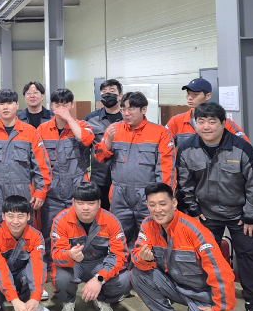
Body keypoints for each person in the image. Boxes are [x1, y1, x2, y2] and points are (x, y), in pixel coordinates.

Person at [176, 102, 253, 311]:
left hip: (239, 214)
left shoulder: (241, 148)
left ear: (223, 123)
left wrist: (250, 216)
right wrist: (193, 211)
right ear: (195, 124)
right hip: (205, 215)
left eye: (212, 122)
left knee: (248, 253)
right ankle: (203, 297)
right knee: (202, 256)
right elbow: (184, 184)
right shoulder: (187, 149)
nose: (206, 127)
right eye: (201, 121)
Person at [131, 183, 236, 311]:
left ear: (174, 203)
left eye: (162, 204)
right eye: (152, 204)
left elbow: (221, 273)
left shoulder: (194, 230)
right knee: (137, 274)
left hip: (202, 295)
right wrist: (143, 259)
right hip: (175, 286)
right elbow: (136, 254)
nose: (157, 210)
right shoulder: (148, 225)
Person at [94, 91, 175, 246]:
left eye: (131, 109)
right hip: (119, 195)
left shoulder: (160, 132)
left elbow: (166, 169)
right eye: (123, 109)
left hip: (148, 195)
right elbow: (99, 158)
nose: (126, 113)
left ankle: (151, 262)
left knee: (151, 237)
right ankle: (121, 262)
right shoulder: (114, 129)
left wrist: (162, 198)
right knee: (119, 237)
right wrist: (108, 140)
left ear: (144, 109)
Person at [51, 182, 130, 311]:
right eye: (80, 203)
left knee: (124, 281)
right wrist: (69, 256)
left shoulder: (111, 221)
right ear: (73, 202)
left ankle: (103, 299)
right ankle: (68, 301)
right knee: (60, 277)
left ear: (99, 203)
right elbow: (56, 254)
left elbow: (119, 255)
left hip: (99, 264)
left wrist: (100, 278)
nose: (85, 208)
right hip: (74, 264)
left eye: (91, 203)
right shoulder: (61, 220)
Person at [0, 89, 52, 234]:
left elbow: (42, 165)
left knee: (25, 232)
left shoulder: (30, 132)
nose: (5, 107)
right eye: (1, 103)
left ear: (17, 105)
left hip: (23, 192)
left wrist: (40, 192)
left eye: (9, 103)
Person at [37, 88, 94, 250]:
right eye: (57, 105)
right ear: (51, 106)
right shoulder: (42, 129)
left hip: (77, 190)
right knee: (49, 231)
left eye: (65, 105)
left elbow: (86, 140)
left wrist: (69, 119)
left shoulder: (82, 125)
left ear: (72, 105)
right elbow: (37, 161)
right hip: (51, 192)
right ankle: (52, 262)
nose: (61, 109)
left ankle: (80, 261)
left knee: (78, 231)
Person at [0, 196, 50, 311]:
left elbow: (37, 267)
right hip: (1, 273)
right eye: (10, 216)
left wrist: (36, 297)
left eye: (20, 216)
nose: (15, 221)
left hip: (20, 273)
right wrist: (14, 299)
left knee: (35, 272)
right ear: (3, 216)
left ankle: (30, 303)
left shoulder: (36, 236)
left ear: (28, 216)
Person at [166, 78, 248, 148]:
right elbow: (164, 146)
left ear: (208, 96)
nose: (190, 98)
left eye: (195, 94)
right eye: (188, 94)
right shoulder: (176, 121)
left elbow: (245, 147)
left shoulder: (223, 122)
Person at [85, 79, 124, 210]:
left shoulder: (128, 118)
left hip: (123, 178)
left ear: (120, 96)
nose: (107, 94)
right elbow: (85, 147)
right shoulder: (91, 119)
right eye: (104, 92)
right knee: (100, 214)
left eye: (112, 91)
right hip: (99, 178)